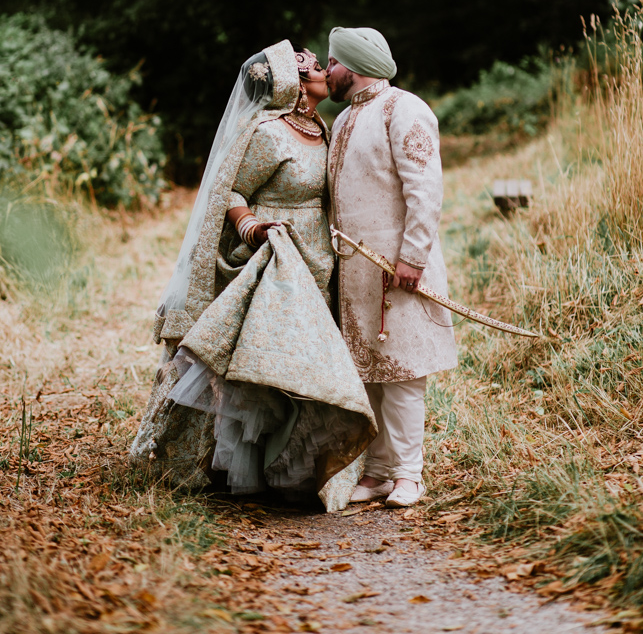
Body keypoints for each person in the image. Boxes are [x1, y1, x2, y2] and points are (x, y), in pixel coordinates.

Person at [130, 39, 375, 511]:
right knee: (262, 366)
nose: (320, 64)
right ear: (294, 84)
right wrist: (252, 227)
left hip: (317, 257)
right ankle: (250, 472)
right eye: (309, 64)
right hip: (273, 254)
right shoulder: (268, 133)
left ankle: (298, 470)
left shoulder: (320, 127)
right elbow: (233, 190)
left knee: (303, 359)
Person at [326, 26, 457, 508]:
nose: (327, 70)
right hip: (355, 273)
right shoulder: (342, 120)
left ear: (354, 67)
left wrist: (412, 258)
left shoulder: (405, 109)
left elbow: (425, 190)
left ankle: (409, 474)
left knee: (404, 372)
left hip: (398, 268)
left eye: (333, 62)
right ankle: (379, 471)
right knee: (370, 371)